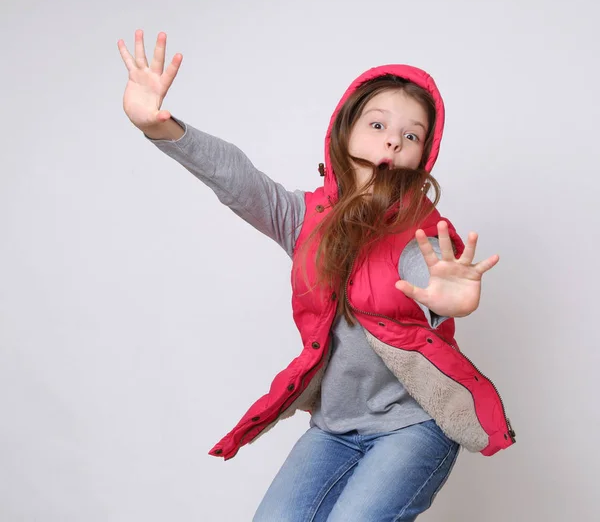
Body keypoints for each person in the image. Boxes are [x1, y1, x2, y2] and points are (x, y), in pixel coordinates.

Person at [117, 30, 515, 521]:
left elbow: (425, 270)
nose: (393, 138)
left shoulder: (424, 232)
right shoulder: (303, 219)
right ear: (344, 129)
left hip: (414, 426)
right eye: (378, 123)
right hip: (333, 429)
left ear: (421, 155)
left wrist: (442, 298)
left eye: (411, 134)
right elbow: (240, 181)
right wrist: (162, 128)